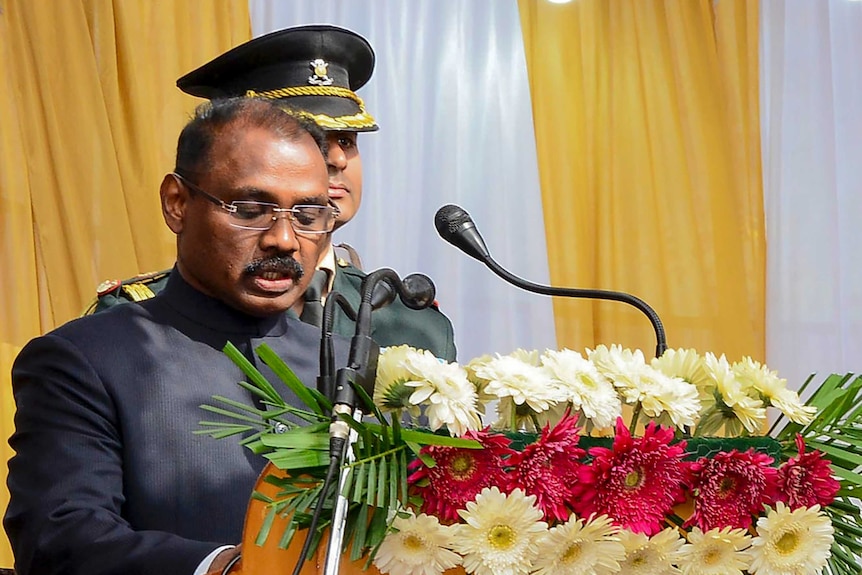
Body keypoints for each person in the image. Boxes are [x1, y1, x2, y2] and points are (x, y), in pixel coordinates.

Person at [4, 97, 351, 575]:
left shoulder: (344, 368)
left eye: (309, 215)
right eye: (251, 209)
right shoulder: (86, 359)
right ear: (177, 204)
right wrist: (223, 568)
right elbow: (59, 535)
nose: (284, 240)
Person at [89, 25, 457, 361]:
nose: (337, 158)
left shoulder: (410, 324)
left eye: (347, 140)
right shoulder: (137, 321)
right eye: (306, 139)